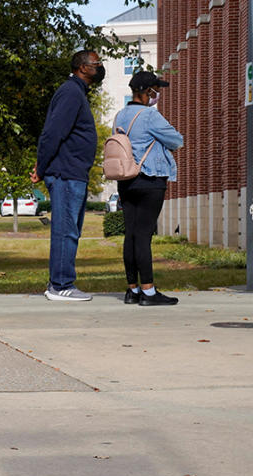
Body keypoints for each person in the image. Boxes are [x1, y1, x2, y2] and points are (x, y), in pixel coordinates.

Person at [32, 50, 104, 302]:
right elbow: (52, 132)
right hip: (65, 173)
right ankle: (61, 285)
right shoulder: (71, 92)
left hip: (73, 173)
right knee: (65, 231)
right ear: (83, 68)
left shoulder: (77, 93)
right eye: (97, 63)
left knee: (71, 230)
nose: (100, 67)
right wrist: (41, 167)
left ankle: (59, 282)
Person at [114, 71, 182, 307]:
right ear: (147, 92)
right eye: (156, 90)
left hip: (126, 181)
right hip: (150, 180)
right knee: (144, 235)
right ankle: (149, 292)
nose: (158, 94)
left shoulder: (120, 116)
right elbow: (176, 140)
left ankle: (132, 290)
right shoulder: (150, 116)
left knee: (131, 234)